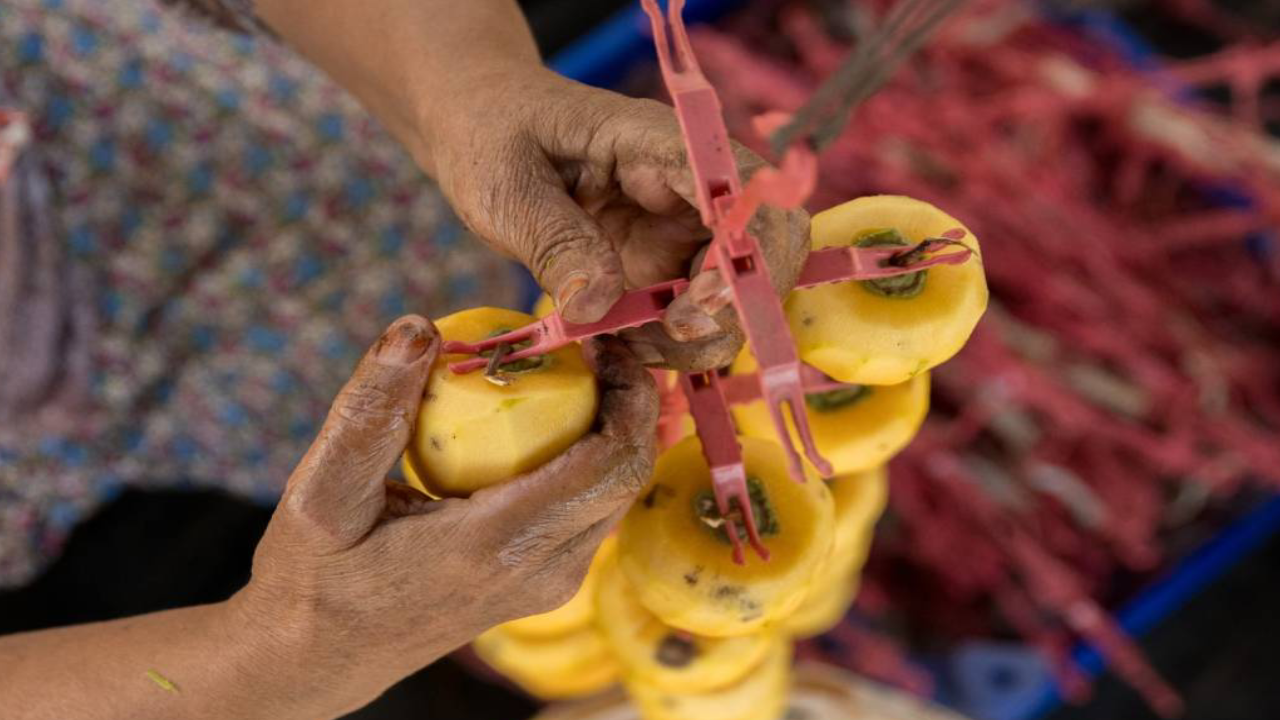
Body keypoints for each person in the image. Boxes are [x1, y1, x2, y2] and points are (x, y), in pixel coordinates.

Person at [0, 1, 808, 716]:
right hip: (120, 419)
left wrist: (465, 89)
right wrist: (270, 659)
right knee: (361, 465)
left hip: (173, 120)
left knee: (451, 308)